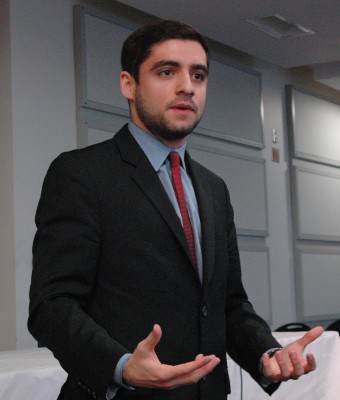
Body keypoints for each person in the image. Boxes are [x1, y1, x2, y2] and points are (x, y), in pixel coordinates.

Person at [28, 20, 323, 400]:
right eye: (167, 72)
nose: (187, 86)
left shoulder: (214, 189)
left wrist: (267, 353)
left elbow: (228, 304)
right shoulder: (81, 174)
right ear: (128, 85)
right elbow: (51, 305)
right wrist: (120, 366)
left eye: (198, 75)